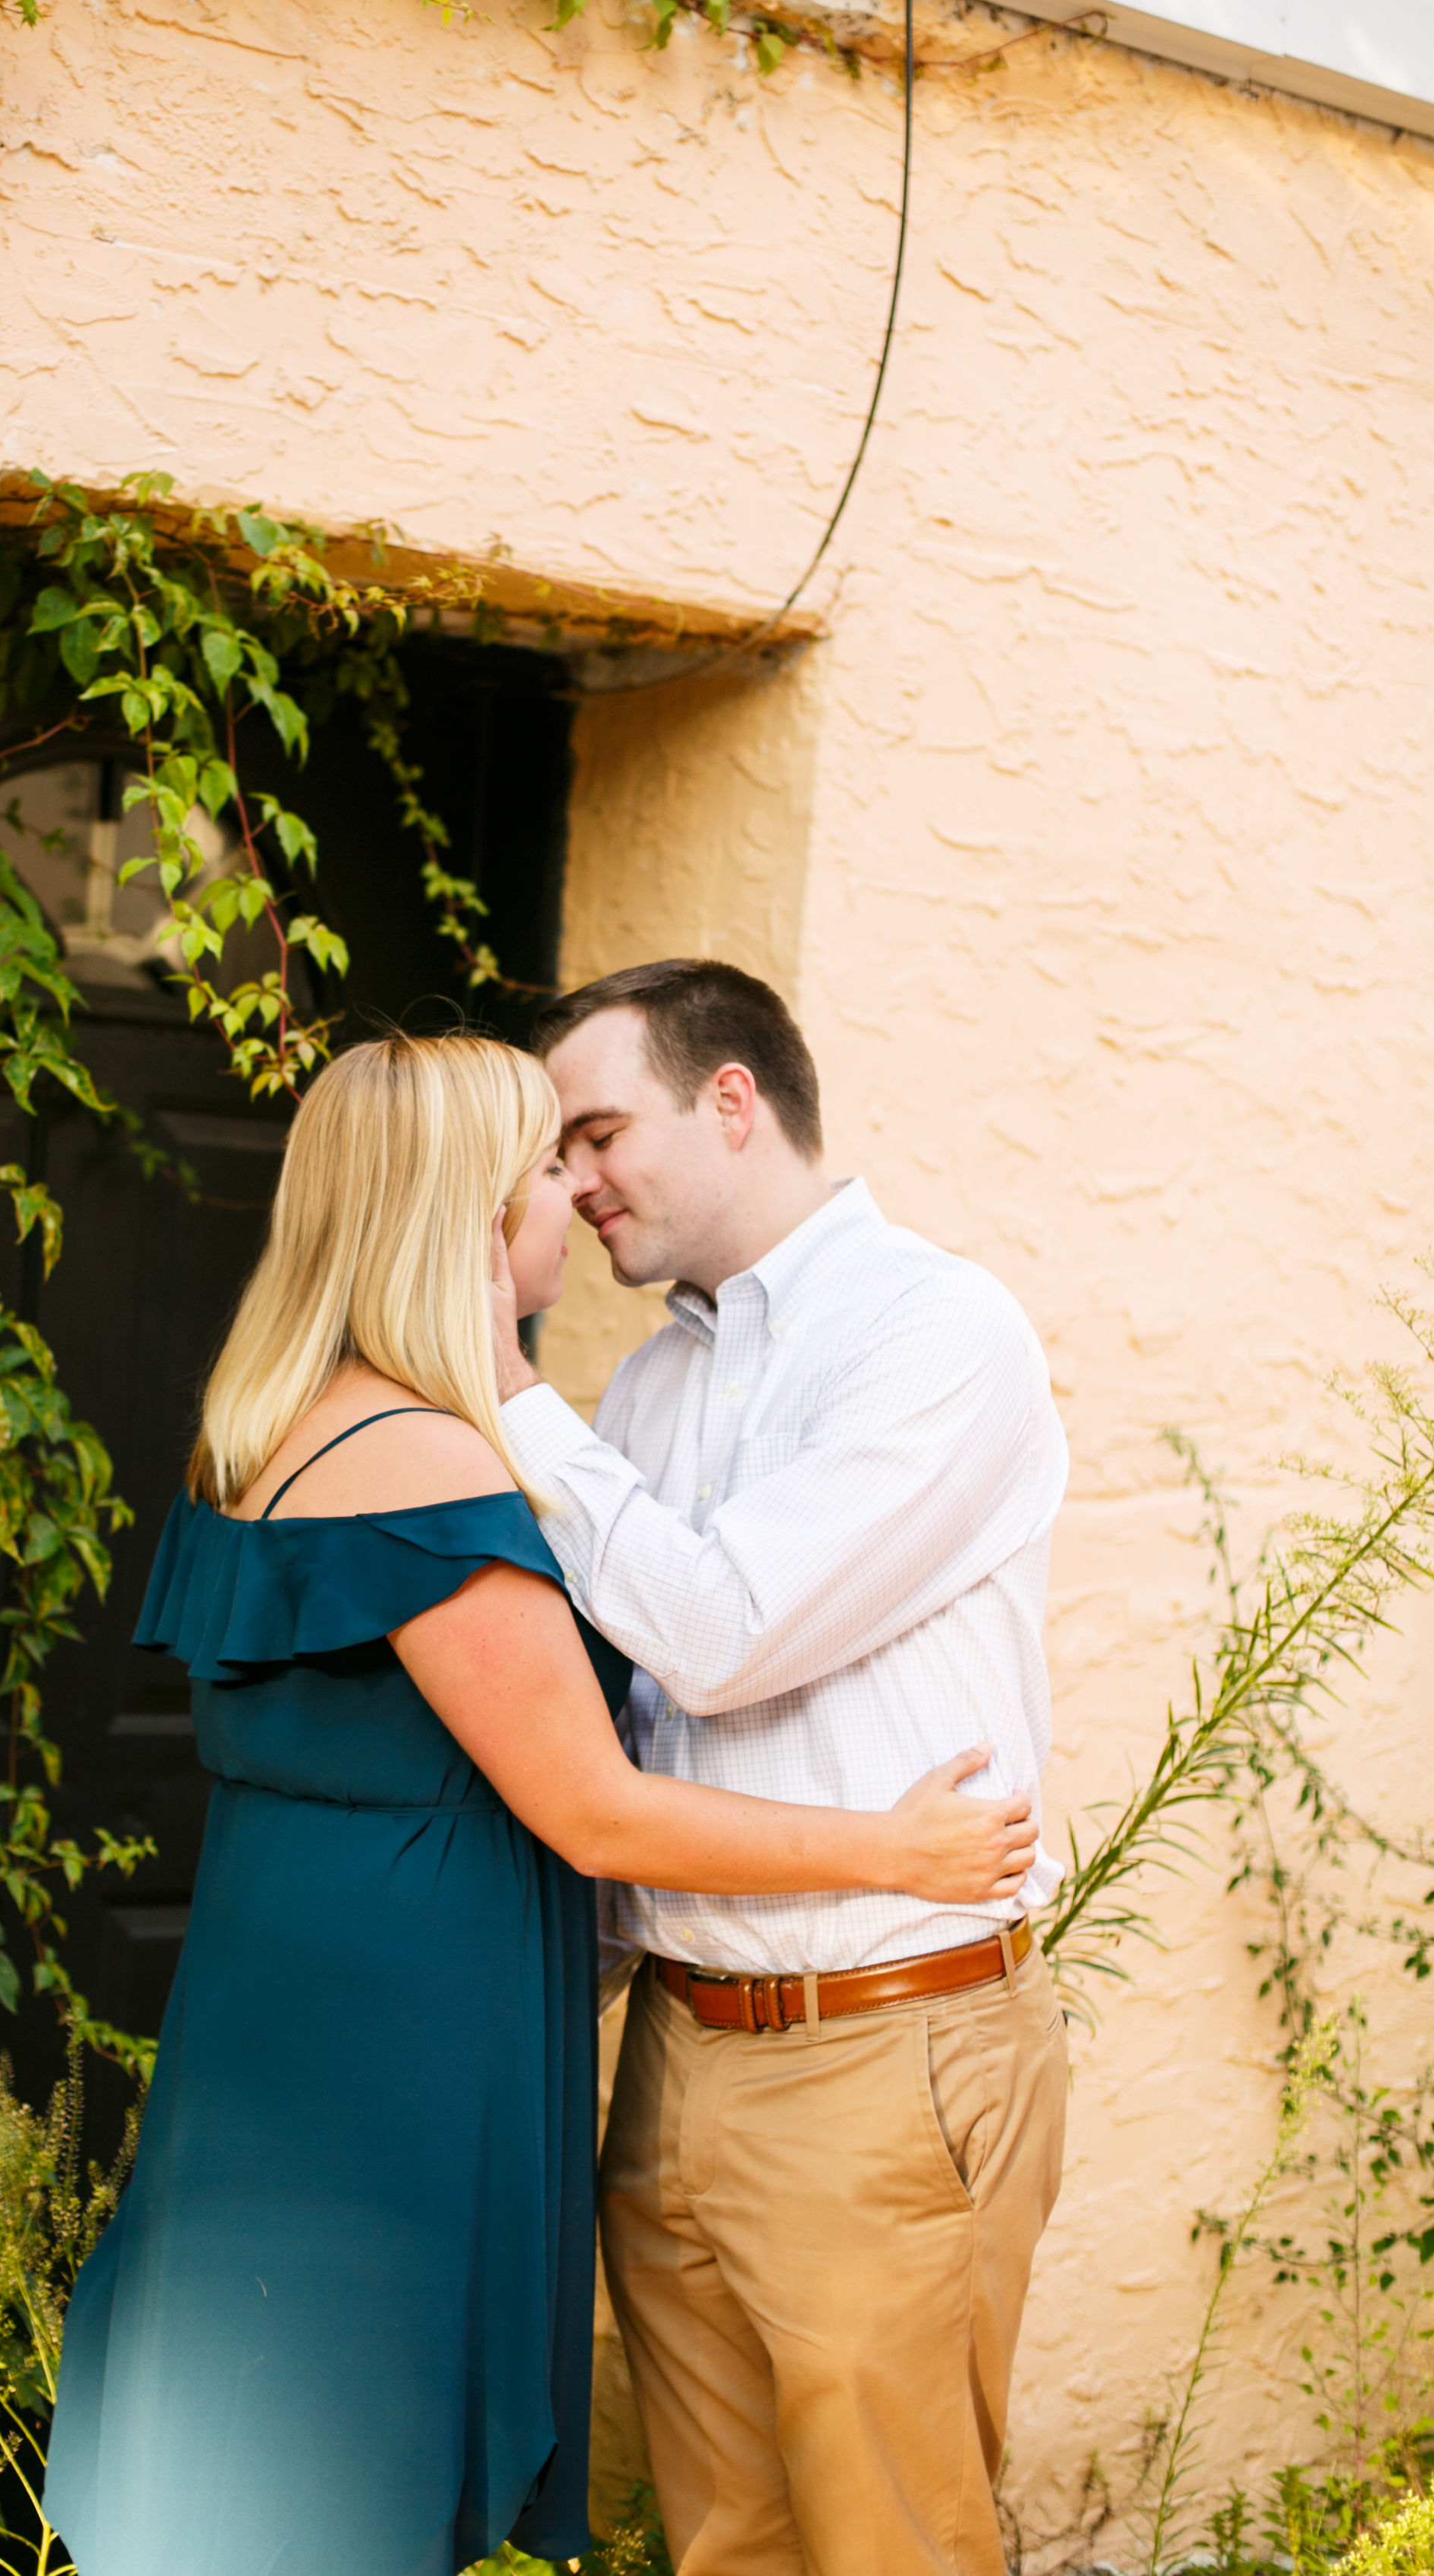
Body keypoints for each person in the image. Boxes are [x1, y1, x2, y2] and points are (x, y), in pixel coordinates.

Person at [44, 1029, 1042, 2576]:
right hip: (398, 2067)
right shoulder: (429, 1458)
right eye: (539, 1166)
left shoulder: (260, 1432)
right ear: (462, 1215)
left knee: (254, 2461)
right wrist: (890, 1844)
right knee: (338, 2478)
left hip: (284, 2020)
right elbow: (597, 1807)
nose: (569, 1197)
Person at [490, 959, 1071, 2576]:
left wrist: (502, 1380)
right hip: (679, 2046)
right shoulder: (661, 1377)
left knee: (893, 2547)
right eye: (559, 1151)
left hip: (883, 2057)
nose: (574, 1181)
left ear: (730, 1099)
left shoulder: (939, 1330)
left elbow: (723, 1635)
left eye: (597, 1131)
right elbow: (644, 1729)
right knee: (723, 2543)